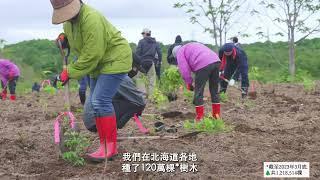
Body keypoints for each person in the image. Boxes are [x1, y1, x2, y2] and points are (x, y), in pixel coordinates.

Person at [50, 0, 132, 162]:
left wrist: (69, 72)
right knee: (95, 104)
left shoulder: (91, 18)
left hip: (115, 59)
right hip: (97, 65)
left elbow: (92, 54)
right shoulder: (69, 23)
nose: (68, 16)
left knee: (100, 101)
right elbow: (78, 38)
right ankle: (104, 145)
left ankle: (110, 148)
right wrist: (64, 38)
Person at [172, 42, 221, 121]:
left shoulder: (180, 52)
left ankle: (199, 118)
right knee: (214, 91)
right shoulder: (190, 45)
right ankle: (216, 116)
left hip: (203, 64)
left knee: (198, 92)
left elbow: (185, 71)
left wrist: (189, 82)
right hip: (216, 60)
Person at [84, 75, 148, 134]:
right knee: (135, 104)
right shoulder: (120, 76)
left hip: (90, 121)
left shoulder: (105, 73)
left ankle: (111, 127)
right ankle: (114, 127)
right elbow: (140, 101)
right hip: (97, 121)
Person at [135, 28, 162, 98]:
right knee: (152, 79)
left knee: (139, 78)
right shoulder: (155, 42)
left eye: (142, 34)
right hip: (151, 62)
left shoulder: (141, 42)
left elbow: (137, 53)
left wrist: (136, 63)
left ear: (145, 33)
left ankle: (142, 95)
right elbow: (159, 52)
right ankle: (151, 96)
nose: (142, 35)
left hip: (142, 62)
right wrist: (160, 61)